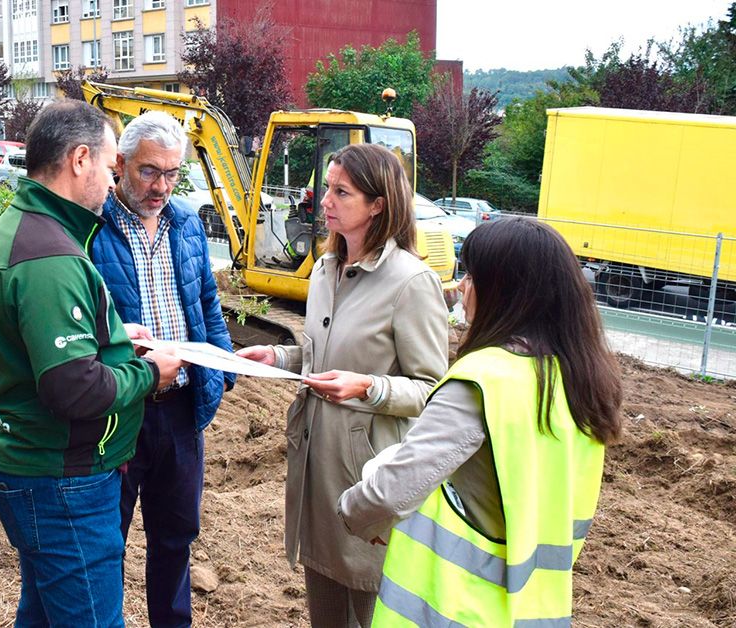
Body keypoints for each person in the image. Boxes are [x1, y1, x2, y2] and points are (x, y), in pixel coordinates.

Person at [339, 217, 624, 625]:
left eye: (471, 275)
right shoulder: (583, 380)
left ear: (504, 292)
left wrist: (352, 513)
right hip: (534, 606)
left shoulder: (481, 381)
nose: (463, 288)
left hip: (450, 605)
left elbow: (392, 491)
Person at [0, 100, 184, 627]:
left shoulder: (26, 228)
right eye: (113, 168)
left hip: (31, 465)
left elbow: (41, 344)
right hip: (63, 480)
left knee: (45, 614)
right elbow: (71, 389)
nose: (115, 184)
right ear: (80, 159)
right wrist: (149, 372)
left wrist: (112, 337)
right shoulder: (52, 255)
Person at [237, 143, 449, 627]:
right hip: (317, 470)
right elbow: (322, 354)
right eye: (326, 190)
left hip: (367, 478)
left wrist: (369, 388)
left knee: (369, 605)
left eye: (340, 192)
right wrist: (278, 356)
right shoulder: (326, 269)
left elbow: (432, 391)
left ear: (378, 204)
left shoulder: (411, 282)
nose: (325, 201)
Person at [90, 111, 236, 627]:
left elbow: (206, 302)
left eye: (173, 174)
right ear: (122, 163)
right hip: (121, 409)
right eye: (150, 171)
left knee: (176, 537)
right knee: (107, 538)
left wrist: (223, 370)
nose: (162, 186)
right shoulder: (93, 225)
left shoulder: (187, 222)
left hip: (181, 412)